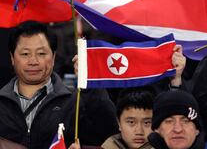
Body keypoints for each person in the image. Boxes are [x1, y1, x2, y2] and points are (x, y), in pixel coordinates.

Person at [0, 20, 118, 148]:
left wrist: (91, 83)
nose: (33, 61)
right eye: (25, 54)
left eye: (41, 53)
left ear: (54, 56)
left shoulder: (76, 101)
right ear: (12, 58)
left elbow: (109, 134)